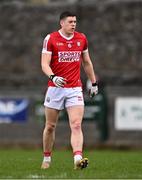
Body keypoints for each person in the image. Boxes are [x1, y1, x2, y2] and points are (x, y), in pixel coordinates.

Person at [41, 11, 98, 170]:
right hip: (55, 88)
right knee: (50, 126)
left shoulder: (82, 38)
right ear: (62, 23)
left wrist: (93, 83)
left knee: (76, 124)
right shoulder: (50, 38)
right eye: (70, 22)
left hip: (74, 89)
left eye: (75, 22)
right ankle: (47, 158)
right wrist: (53, 77)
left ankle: (77, 159)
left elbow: (86, 62)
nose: (73, 24)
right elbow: (44, 63)